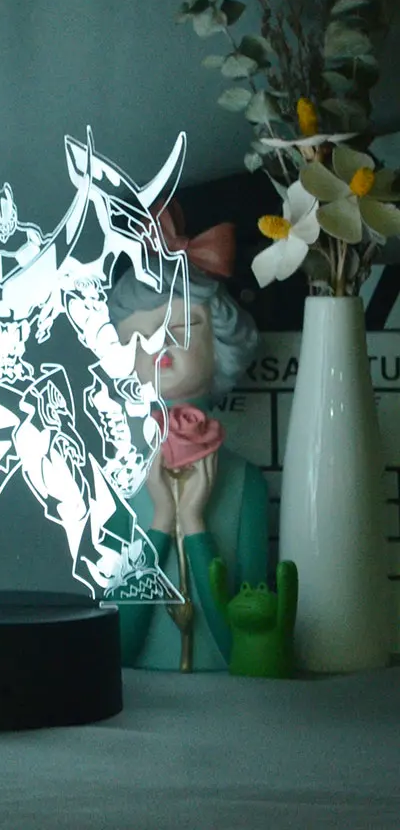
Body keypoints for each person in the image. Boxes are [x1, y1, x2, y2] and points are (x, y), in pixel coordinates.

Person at [107, 225, 269, 671]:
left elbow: (243, 650)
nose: (159, 346)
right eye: (140, 337)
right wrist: (161, 520)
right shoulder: (113, 485)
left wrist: (195, 524)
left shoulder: (246, 484)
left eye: (181, 329)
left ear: (222, 344)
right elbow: (116, 648)